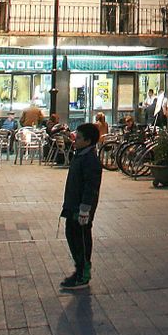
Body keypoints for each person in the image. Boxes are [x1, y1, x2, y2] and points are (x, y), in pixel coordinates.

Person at [59, 122, 102, 290]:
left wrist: (85, 209)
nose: (74, 139)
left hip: (81, 208)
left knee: (81, 238)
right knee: (72, 234)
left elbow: (91, 187)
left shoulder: (90, 160)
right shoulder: (80, 155)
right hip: (72, 204)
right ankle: (79, 268)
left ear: (88, 141)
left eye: (78, 137)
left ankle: (83, 273)